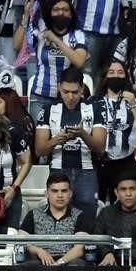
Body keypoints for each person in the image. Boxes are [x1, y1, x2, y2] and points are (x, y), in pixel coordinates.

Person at [34, 65, 107, 223]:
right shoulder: (48, 109)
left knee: (87, 219)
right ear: (59, 88)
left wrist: (82, 134)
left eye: (74, 92)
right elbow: (39, 150)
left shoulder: (95, 108)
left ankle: (86, 247)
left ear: (82, 89)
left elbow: (100, 147)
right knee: (58, 218)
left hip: (87, 171)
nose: (70, 97)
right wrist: (57, 139)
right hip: (58, 170)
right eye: (65, 92)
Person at [17, 0, 88, 121]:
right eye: (56, 9)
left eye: (65, 10)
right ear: (50, 13)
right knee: (39, 137)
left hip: (68, 99)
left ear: (71, 14)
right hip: (40, 96)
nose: (61, 12)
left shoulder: (78, 35)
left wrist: (56, 39)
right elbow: (16, 45)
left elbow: (79, 61)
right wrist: (26, 18)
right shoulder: (40, 34)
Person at [95, 59, 136, 201]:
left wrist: (133, 105)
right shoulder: (94, 102)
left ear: (126, 76)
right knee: (100, 202)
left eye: (120, 72)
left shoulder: (134, 101)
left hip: (126, 162)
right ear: (105, 76)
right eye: (111, 72)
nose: (116, 76)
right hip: (99, 161)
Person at [93, 170, 136, 266]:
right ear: (116, 192)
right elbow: (97, 237)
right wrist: (107, 253)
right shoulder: (106, 213)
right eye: (123, 189)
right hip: (113, 266)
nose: (128, 194)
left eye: (132, 189)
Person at [21, 172, 89, 266]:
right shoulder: (33, 214)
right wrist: (39, 251)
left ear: (70, 194)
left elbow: (79, 249)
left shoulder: (80, 215)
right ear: (47, 194)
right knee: (27, 266)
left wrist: (59, 263)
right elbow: (22, 241)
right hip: (41, 262)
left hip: (69, 262)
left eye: (64, 191)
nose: (60, 195)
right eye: (55, 191)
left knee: (77, 264)